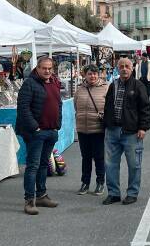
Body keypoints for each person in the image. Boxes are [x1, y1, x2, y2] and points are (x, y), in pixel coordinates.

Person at [15, 57, 62, 215]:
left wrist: (58, 124)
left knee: (43, 165)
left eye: (50, 68)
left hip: (51, 131)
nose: (47, 71)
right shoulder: (30, 83)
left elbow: (58, 103)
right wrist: (35, 128)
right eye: (44, 68)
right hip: (36, 133)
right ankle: (29, 200)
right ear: (37, 68)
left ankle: (41, 195)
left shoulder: (54, 82)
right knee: (33, 166)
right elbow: (23, 107)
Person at [101, 57, 150, 205]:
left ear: (132, 68)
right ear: (117, 68)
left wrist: (143, 127)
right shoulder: (113, 85)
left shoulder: (138, 85)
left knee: (134, 165)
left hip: (131, 132)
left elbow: (145, 108)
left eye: (127, 66)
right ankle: (113, 193)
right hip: (112, 131)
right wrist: (107, 124)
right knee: (110, 164)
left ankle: (132, 193)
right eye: (121, 66)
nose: (124, 69)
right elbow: (108, 106)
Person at [73, 65, 109, 195]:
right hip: (83, 129)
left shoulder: (106, 88)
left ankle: (100, 182)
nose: (92, 76)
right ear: (85, 75)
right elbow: (76, 106)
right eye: (89, 74)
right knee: (85, 157)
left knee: (99, 157)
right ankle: (85, 182)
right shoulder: (80, 90)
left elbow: (109, 108)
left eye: (95, 73)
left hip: (98, 129)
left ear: (98, 75)